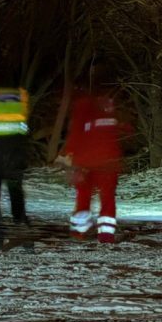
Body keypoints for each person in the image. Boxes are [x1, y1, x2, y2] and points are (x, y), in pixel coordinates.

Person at [61, 72, 130, 243]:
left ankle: (80, 231)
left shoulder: (82, 105)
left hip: (86, 161)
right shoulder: (113, 107)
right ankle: (106, 234)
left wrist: (68, 154)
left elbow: (76, 133)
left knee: (83, 195)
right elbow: (126, 131)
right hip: (109, 161)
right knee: (107, 198)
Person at [0, 78, 30, 253]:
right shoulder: (21, 95)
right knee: (16, 196)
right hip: (15, 157)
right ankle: (24, 235)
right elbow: (24, 128)